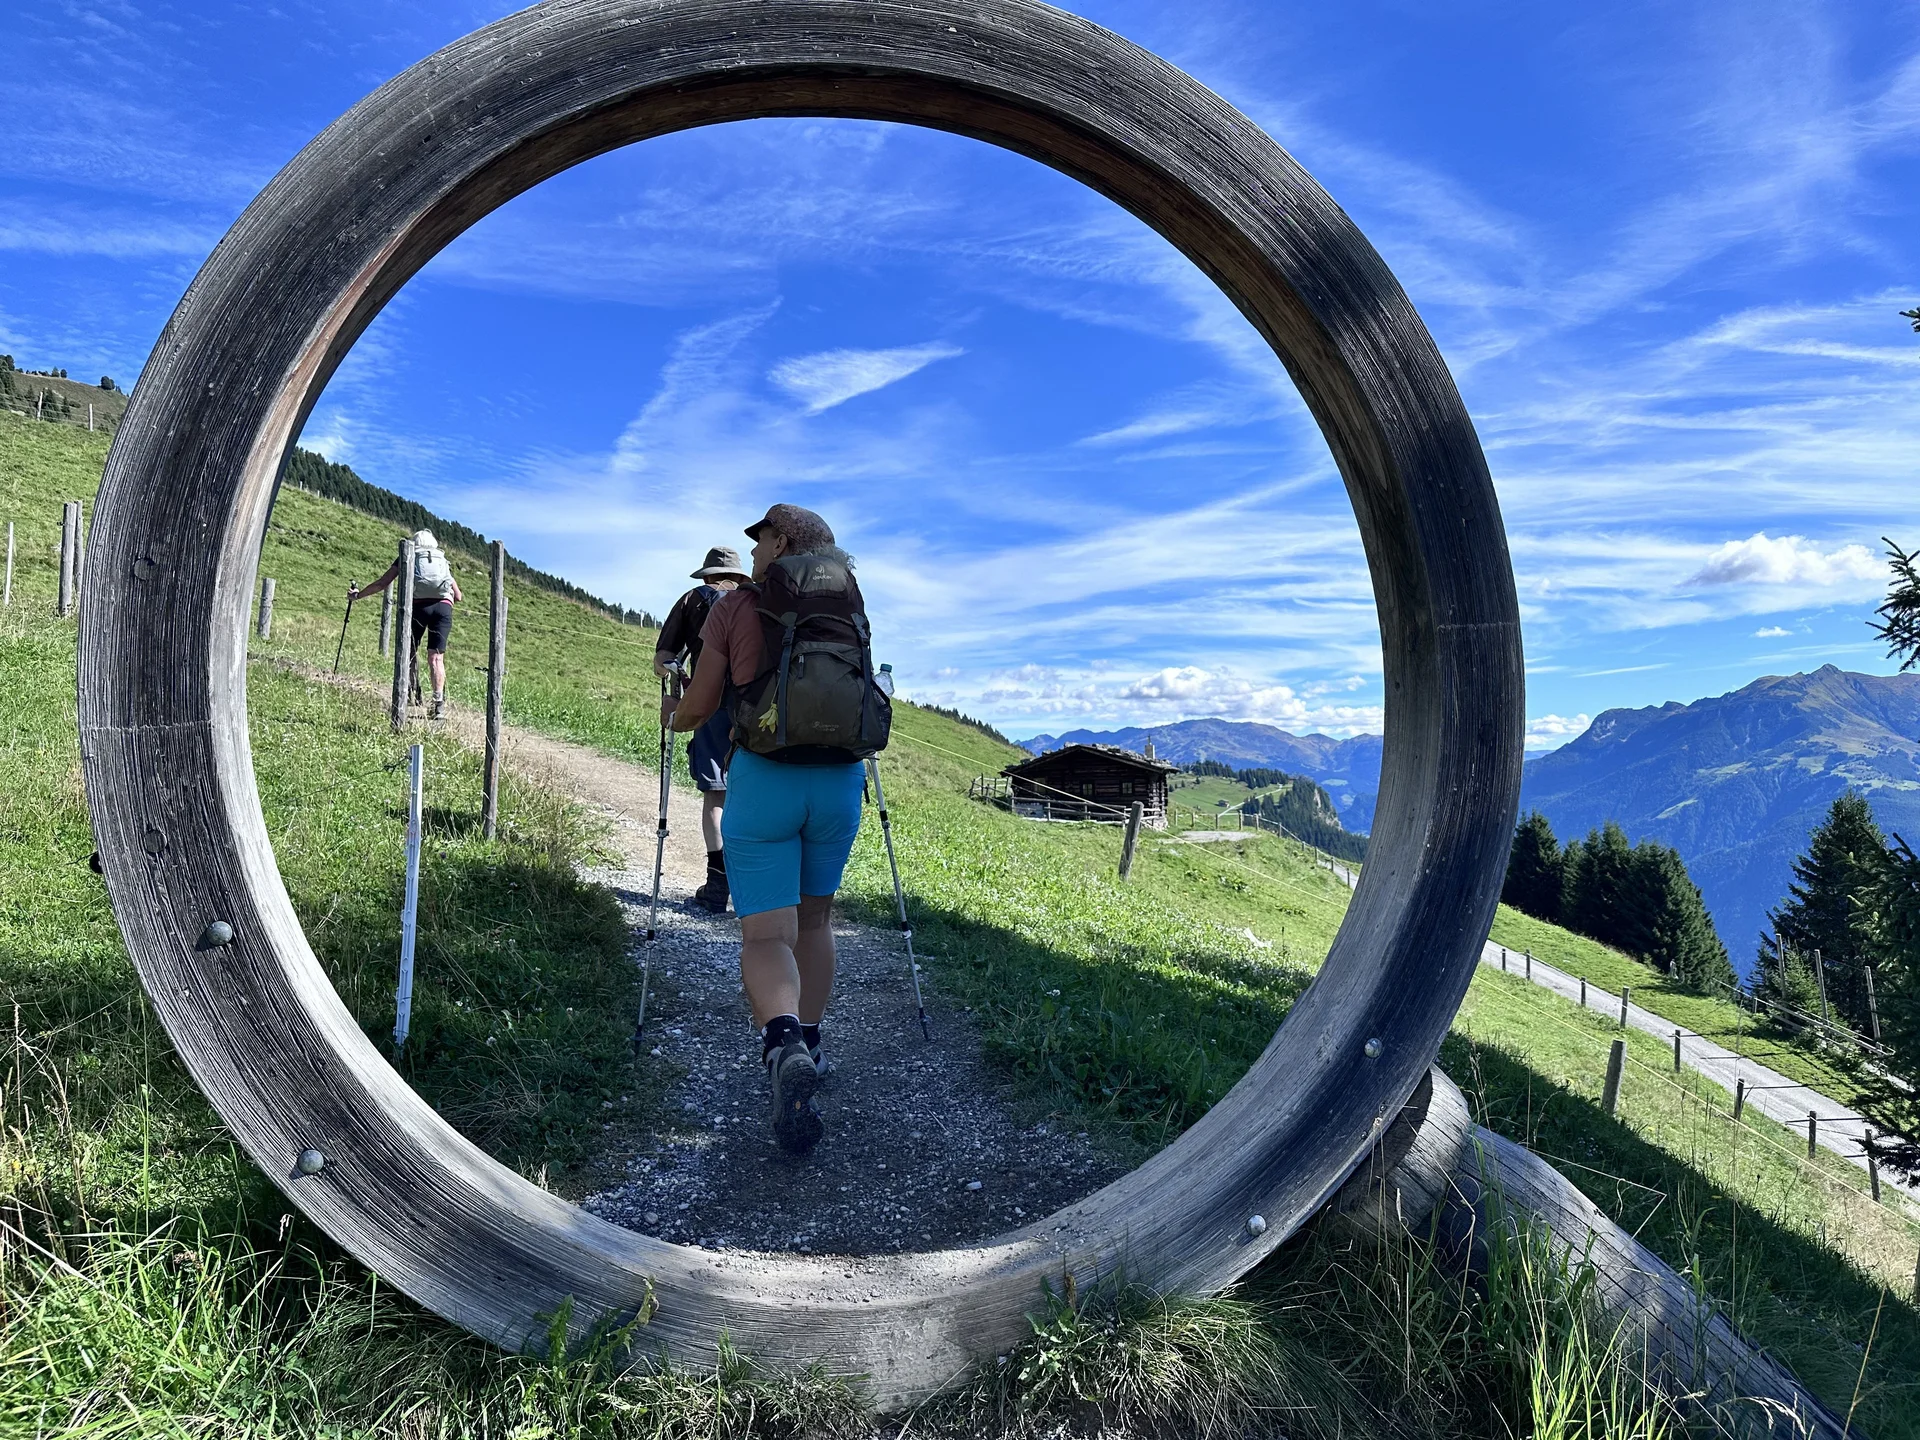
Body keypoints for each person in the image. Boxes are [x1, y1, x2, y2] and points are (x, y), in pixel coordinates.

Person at [665, 503, 890, 1156]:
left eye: (760, 540)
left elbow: (701, 705)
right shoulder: (849, 608)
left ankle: (782, 1041)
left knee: (766, 933)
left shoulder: (736, 609)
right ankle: (811, 1049)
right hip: (841, 780)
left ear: (782, 540)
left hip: (765, 778)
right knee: (816, 922)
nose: (755, 553)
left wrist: (674, 716)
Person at [653, 545, 753, 912]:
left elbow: (662, 661)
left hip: (708, 704)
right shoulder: (754, 602)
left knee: (716, 795)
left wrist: (674, 675)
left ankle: (716, 887)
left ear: (706, 575)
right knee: (753, 792)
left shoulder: (692, 600)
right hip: (757, 706)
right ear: (741, 576)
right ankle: (754, 889)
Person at [352, 530, 462, 719]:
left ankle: (412, 691)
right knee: (436, 658)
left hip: (418, 607)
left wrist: (357, 595)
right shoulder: (441, 560)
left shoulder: (408, 554)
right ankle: (438, 705)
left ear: (414, 542)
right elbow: (458, 596)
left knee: (409, 651)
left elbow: (383, 583)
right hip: (443, 608)